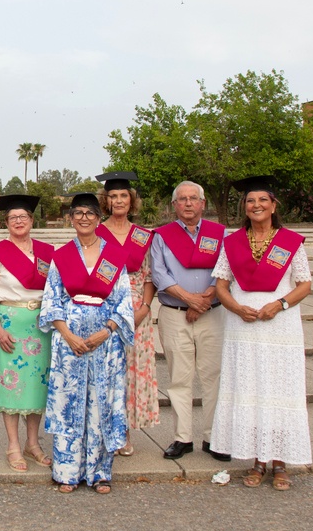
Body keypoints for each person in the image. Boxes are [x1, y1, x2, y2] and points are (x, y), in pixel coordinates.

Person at [210, 177, 313, 491]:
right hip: (243, 326)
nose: (256, 206)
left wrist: (279, 304)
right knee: (250, 387)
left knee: (279, 389)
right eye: (250, 201)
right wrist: (237, 308)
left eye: (262, 201)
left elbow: (304, 284)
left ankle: (280, 463)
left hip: (279, 324)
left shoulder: (290, 242)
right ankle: (257, 460)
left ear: (273, 205)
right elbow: (221, 285)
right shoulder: (233, 242)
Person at [42, 192, 135, 493]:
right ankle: (67, 471)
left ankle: (100, 472)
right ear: (71, 218)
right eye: (78, 213)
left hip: (104, 343)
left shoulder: (114, 256)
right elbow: (51, 299)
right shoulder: (62, 256)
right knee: (69, 402)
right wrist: (67, 335)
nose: (84, 218)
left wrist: (106, 331)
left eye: (90, 213)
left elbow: (124, 300)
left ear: (98, 217)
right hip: (69, 343)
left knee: (101, 403)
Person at [149, 181, 228, 461]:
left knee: (212, 377)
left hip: (213, 313)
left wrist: (204, 300)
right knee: (179, 379)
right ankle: (182, 438)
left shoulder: (220, 234)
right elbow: (159, 274)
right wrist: (190, 300)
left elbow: (225, 270)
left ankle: (213, 437)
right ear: (174, 206)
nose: (188, 203)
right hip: (174, 314)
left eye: (194, 198)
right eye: (182, 199)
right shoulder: (161, 236)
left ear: (203, 203)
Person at [0, 193, 54, 472]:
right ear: (7, 222)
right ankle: (13, 445)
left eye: (23, 217)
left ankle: (32, 444)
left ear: (32, 221)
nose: (18, 221)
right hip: (9, 322)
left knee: (37, 385)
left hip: (41, 326)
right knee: (11, 383)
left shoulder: (47, 252)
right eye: (13, 218)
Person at [96, 171, 158, 457]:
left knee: (131, 372)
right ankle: (102, 428)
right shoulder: (95, 232)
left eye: (124, 196)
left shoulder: (144, 236)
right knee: (106, 371)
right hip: (102, 308)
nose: (119, 200)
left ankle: (125, 430)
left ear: (131, 201)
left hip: (136, 312)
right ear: (106, 201)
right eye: (113, 196)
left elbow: (149, 275)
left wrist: (144, 308)